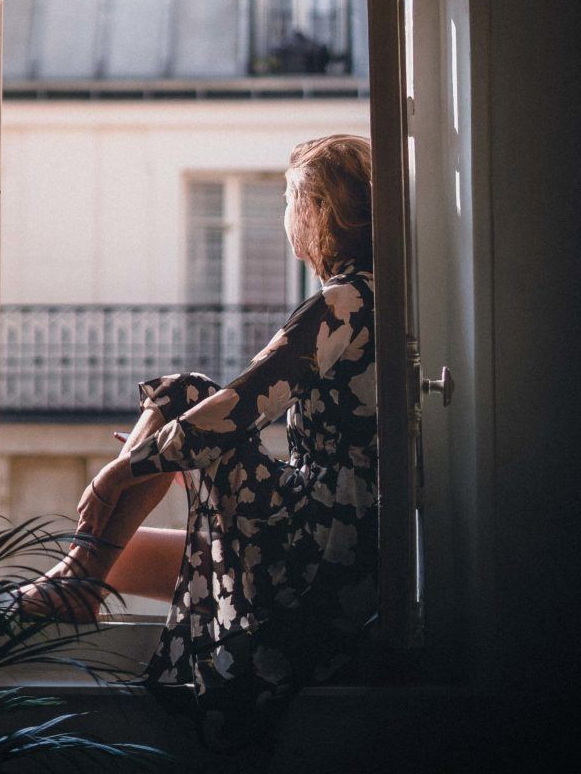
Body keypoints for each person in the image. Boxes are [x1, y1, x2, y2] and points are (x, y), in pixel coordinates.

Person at [19, 134, 377, 751]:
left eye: (292, 201)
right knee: (115, 553)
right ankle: (79, 578)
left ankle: (77, 579)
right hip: (349, 545)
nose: (287, 219)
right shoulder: (381, 296)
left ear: (321, 211)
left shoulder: (344, 301)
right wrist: (188, 459)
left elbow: (241, 406)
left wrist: (126, 470)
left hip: (321, 552)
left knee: (185, 395)